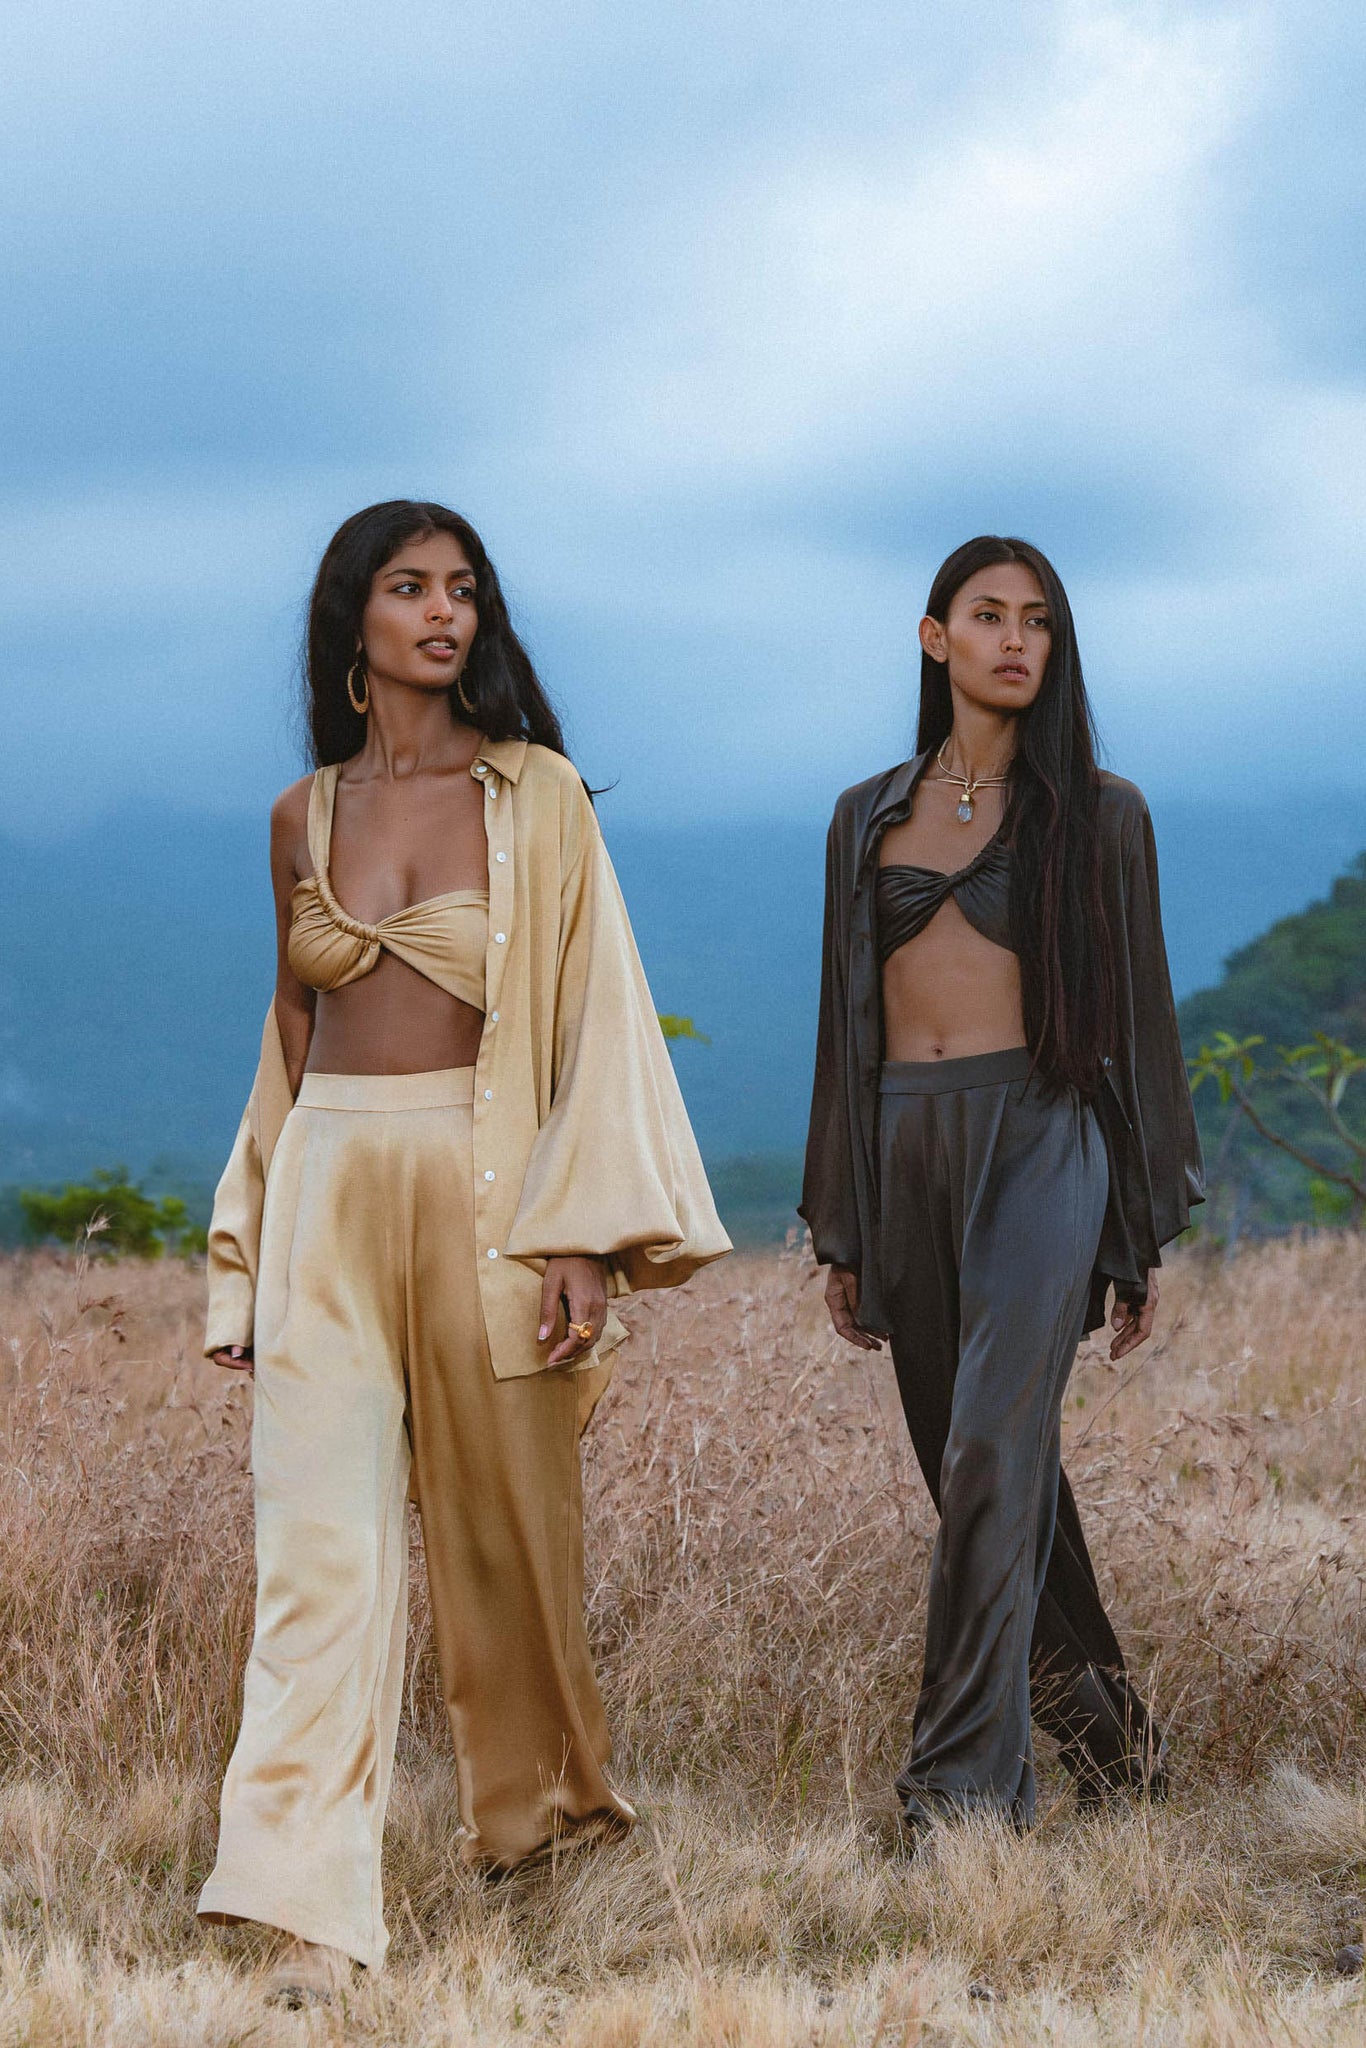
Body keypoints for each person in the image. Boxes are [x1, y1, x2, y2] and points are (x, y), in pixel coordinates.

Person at [197, 499, 730, 1997]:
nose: (444, 611)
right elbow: (288, 1035)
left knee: (510, 1550)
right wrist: (245, 1251)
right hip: (326, 1187)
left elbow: (595, 1014)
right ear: (353, 619)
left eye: (463, 588)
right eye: (409, 586)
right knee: (315, 1554)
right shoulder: (303, 815)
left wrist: (582, 1233)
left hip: (489, 1190)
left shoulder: (537, 794)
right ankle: (306, 1906)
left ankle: (547, 1837)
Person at [800, 534, 1202, 1844]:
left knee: (988, 1447)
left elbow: (1139, 1023)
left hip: (1043, 1140)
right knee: (977, 1469)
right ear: (936, 640)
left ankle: (959, 1800)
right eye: (986, 615)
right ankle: (1115, 1751)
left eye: (1037, 620)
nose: (1014, 639)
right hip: (905, 1144)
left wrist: (1134, 1228)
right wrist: (843, 1221)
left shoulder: (1101, 812)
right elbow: (842, 1029)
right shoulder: (863, 816)